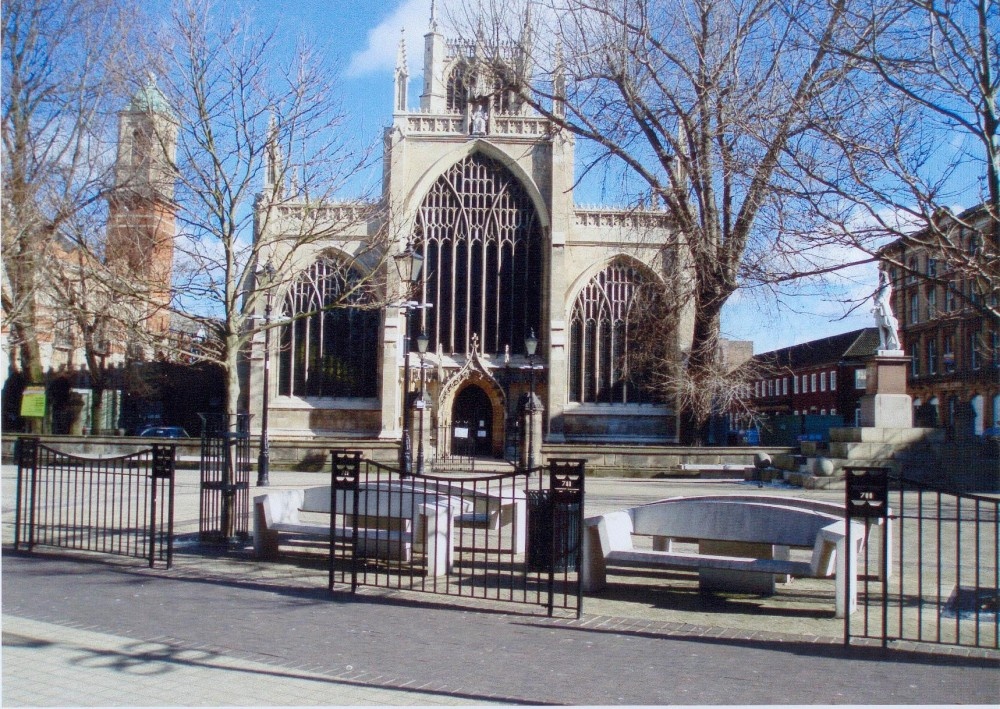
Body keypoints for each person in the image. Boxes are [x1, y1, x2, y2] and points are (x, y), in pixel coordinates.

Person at [873, 267, 901, 351]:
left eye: (880, 276)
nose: (879, 278)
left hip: (884, 308)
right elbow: (876, 297)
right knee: (881, 327)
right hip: (879, 309)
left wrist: (875, 305)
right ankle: (883, 345)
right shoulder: (880, 287)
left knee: (890, 326)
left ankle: (897, 343)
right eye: (879, 276)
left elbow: (882, 297)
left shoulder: (886, 287)